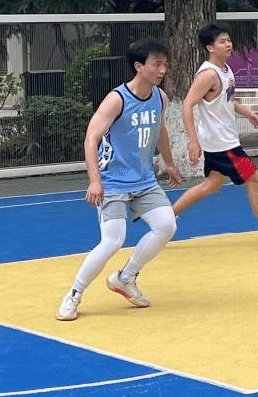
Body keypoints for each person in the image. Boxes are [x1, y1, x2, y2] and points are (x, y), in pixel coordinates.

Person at [56, 39, 183, 321]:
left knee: (166, 225)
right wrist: (95, 181)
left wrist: (169, 163)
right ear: (139, 67)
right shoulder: (117, 99)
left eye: (165, 64)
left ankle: (126, 278)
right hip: (112, 181)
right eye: (157, 64)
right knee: (113, 240)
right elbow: (91, 138)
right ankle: (74, 293)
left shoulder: (159, 97)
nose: (163, 70)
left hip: (144, 180)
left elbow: (160, 130)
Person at [171, 23, 258, 249]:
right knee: (254, 180)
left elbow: (227, 101)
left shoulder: (225, 70)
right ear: (210, 47)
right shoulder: (208, 74)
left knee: (212, 184)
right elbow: (187, 104)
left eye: (229, 40)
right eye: (222, 42)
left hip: (221, 141)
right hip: (223, 144)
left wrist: (248, 113)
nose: (228, 45)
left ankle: (167, 217)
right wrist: (192, 140)